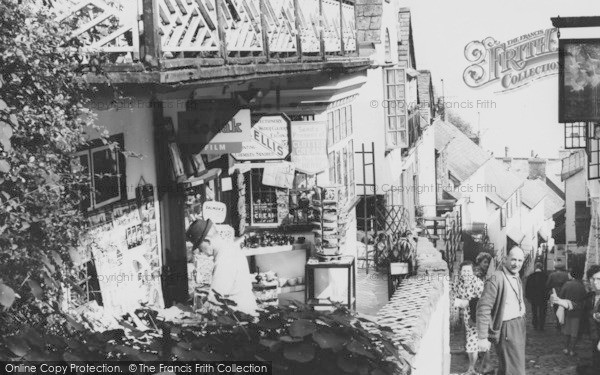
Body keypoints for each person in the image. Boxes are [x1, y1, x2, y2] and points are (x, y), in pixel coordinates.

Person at [186, 219, 258, 316]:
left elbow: (215, 298)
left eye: (199, 246)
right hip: (243, 310)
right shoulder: (229, 249)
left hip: (241, 315)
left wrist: (197, 312)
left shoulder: (224, 257)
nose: (200, 251)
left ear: (207, 240)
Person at [477, 246, 527, 375]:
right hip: (507, 328)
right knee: (515, 370)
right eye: (513, 259)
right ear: (505, 259)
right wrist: (482, 337)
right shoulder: (496, 278)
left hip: (518, 325)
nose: (516, 264)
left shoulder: (516, 276)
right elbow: (483, 307)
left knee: (507, 368)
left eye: (520, 260)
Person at [453, 261, 485, 375]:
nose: (466, 273)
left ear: (473, 272)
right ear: (461, 272)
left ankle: (472, 368)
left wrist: (467, 302)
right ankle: (472, 368)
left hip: (476, 316)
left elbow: (484, 301)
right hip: (466, 316)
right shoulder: (459, 283)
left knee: (472, 342)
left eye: (468, 271)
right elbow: (454, 297)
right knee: (471, 342)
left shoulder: (478, 283)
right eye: (464, 271)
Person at [551, 267, 587, 356]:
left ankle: (566, 348)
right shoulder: (582, 286)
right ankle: (572, 350)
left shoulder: (567, 284)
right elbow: (585, 299)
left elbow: (561, 296)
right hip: (578, 312)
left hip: (567, 311)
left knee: (567, 331)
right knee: (575, 332)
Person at [576, 265, 600, 375]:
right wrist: (563, 302)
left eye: (599, 279)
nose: (595, 282)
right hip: (590, 339)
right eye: (593, 279)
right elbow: (578, 307)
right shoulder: (590, 296)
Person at [525, 262, 549, 330]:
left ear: (535, 267)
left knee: (534, 311)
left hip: (533, 297)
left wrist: (528, 296)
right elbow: (548, 286)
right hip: (543, 297)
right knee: (543, 311)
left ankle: (535, 325)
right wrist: (548, 296)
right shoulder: (545, 276)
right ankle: (541, 325)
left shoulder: (531, 276)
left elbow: (527, 287)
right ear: (542, 268)